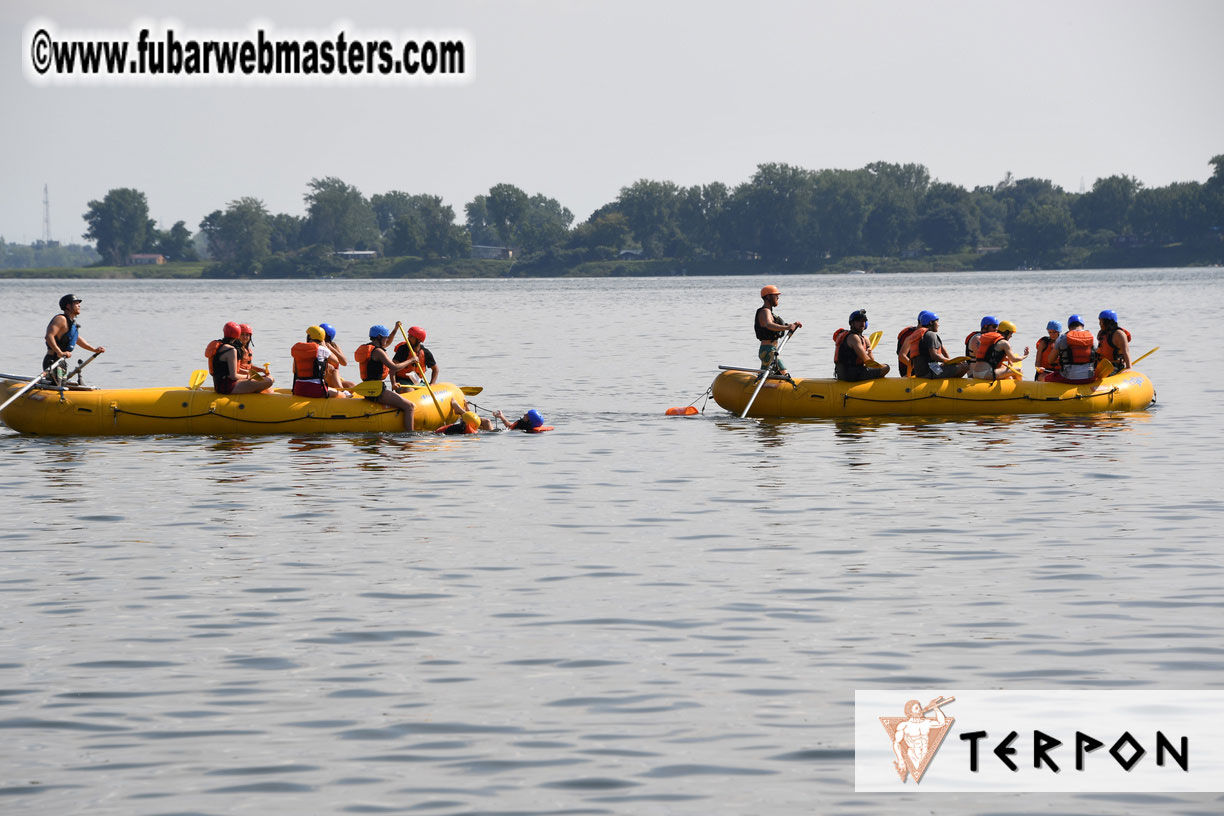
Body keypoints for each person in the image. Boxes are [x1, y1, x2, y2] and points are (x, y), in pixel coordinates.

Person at [353, 323, 417, 432]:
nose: (387, 340)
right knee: (409, 406)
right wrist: (412, 360)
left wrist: (395, 329)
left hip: (367, 388)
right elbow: (395, 367)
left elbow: (389, 341)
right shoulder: (378, 352)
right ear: (379, 337)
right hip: (377, 391)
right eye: (385, 338)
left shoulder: (371, 348)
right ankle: (409, 436)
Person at [43, 294, 105, 375]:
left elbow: (76, 339)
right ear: (68, 306)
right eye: (76, 303)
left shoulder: (72, 322)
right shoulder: (60, 319)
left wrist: (94, 350)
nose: (79, 305)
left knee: (61, 385)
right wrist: (60, 352)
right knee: (56, 386)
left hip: (61, 361)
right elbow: (49, 336)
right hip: (52, 361)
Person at [206, 321, 275, 395]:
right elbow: (233, 376)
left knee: (267, 380)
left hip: (219, 385)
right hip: (228, 387)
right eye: (242, 334)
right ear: (238, 334)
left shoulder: (220, 346)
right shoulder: (231, 350)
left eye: (247, 335)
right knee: (269, 381)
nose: (245, 337)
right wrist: (249, 376)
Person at [755, 285, 801, 380]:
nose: (778, 297)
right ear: (768, 297)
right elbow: (769, 325)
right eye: (775, 295)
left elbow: (776, 328)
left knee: (765, 377)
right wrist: (788, 327)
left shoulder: (770, 313)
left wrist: (793, 326)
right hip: (768, 351)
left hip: (769, 350)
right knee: (784, 373)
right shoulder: (765, 311)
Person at [908, 311, 968, 379]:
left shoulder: (920, 335)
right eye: (937, 321)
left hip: (920, 373)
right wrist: (948, 361)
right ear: (931, 322)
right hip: (929, 372)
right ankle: (952, 386)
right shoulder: (931, 335)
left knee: (950, 366)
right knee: (964, 365)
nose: (938, 325)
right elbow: (934, 356)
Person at [833, 309, 889, 381]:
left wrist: (868, 347)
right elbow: (868, 361)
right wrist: (869, 351)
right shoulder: (854, 338)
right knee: (886, 367)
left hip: (841, 374)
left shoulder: (853, 336)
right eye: (858, 321)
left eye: (863, 321)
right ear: (852, 323)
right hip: (852, 375)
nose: (862, 323)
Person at [290, 325, 343, 398]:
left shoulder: (298, 350)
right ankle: (345, 394)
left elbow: (294, 370)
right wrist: (325, 347)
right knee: (341, 394)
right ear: (322, 339)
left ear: (309, 337)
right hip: (317, 390)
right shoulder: (322, 349)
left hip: (298, 389)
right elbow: (336, 362)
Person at [1044, 314, 1097, 383]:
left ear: (1069, 327)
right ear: (1083, 326)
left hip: (1068, 378)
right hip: (1089, 378)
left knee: (1046, 378)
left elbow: (1050, 360)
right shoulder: (1093, 338)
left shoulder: (1062, 338)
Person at [318, 323, 355, 391]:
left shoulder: (334, 346)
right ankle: (341, 391)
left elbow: (344, 363)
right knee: (333, 370)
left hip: (334, 379)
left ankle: (341, 392)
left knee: (351, 385)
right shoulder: (318, 346)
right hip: (324, 378)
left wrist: (331, 348)